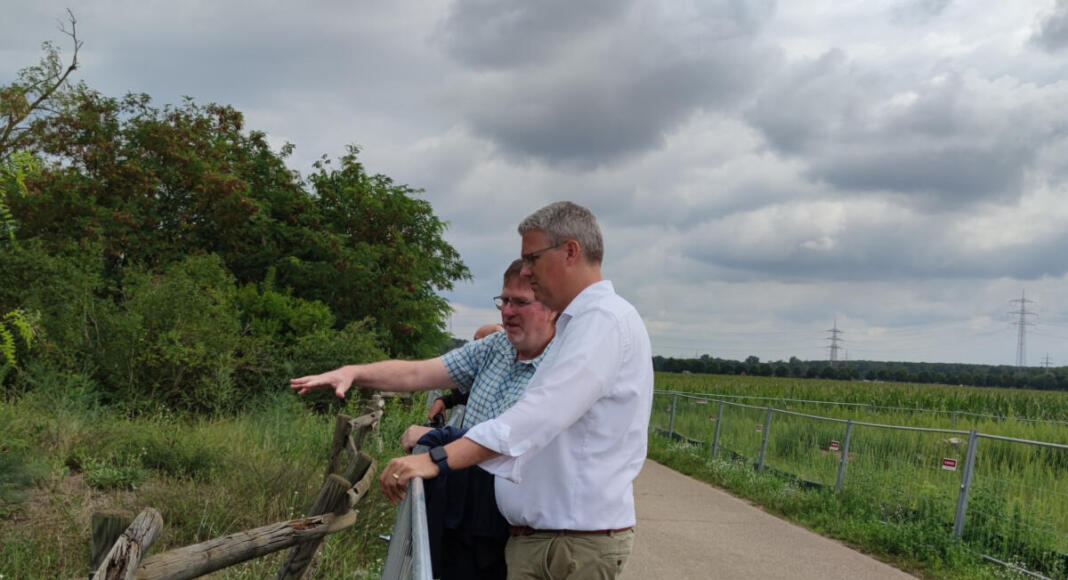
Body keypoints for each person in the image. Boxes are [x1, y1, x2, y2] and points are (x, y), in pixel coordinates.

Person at [379, 201, 653, 580]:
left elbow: (533, 417)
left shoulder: (602, 322)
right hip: (543, 541)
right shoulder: (579, 324)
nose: (526, 270)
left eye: (533, 258)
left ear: (570, 251)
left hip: (569, 546)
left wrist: (436, 457)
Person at [291, 259, 555, 579]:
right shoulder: (495, 347)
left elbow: (509, 437)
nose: (508, 311)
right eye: (504, 300)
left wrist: (436, 449)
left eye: (520, 302)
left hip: (521, 532)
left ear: (551, 306)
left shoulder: (561, 365)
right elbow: (418, 372)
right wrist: (354, 372)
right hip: (473, 514)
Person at [427, 323, 505, 424]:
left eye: (479, 342)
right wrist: (444, 401)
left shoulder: (498, 379)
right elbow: (466, 397)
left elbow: (470, 396)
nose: (473, 348)